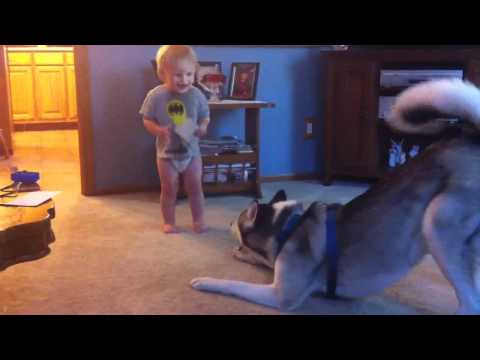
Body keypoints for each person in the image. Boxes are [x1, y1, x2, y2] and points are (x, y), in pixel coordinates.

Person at [139, 45, 210, 234]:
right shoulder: (156, 96)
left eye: (189, 74)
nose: (184, 79)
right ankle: (169, 221)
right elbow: (146, 119)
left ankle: (199, 220)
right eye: (178, 75)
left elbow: (205, 115)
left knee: (195, 186)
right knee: (169, 188)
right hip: (166, 154)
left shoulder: (196, 94)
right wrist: (159, 130)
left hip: (192, 152)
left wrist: (203, 127)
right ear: (162, 74)